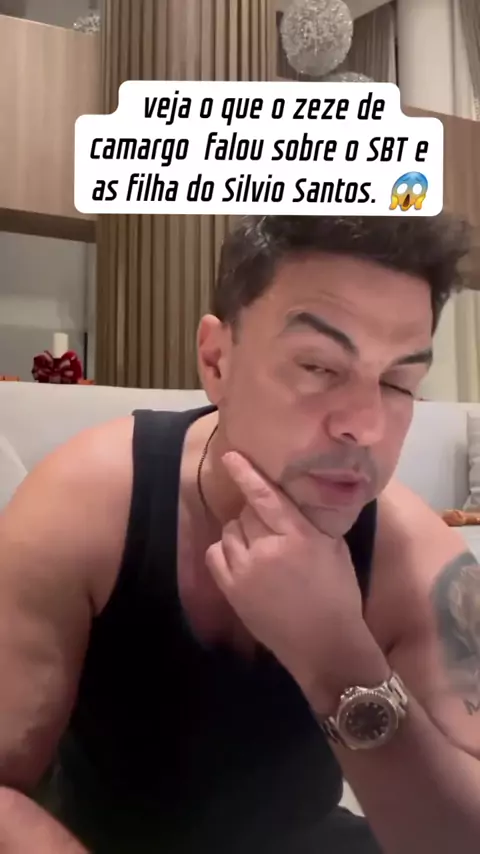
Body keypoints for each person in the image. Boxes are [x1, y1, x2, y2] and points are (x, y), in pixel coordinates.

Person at [1, 215, 480, 854]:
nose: (365, 426)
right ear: (217, 361)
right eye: (318, 366)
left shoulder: (412, 558)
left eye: (398, 383)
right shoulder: (85, 505)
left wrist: (337, 656)